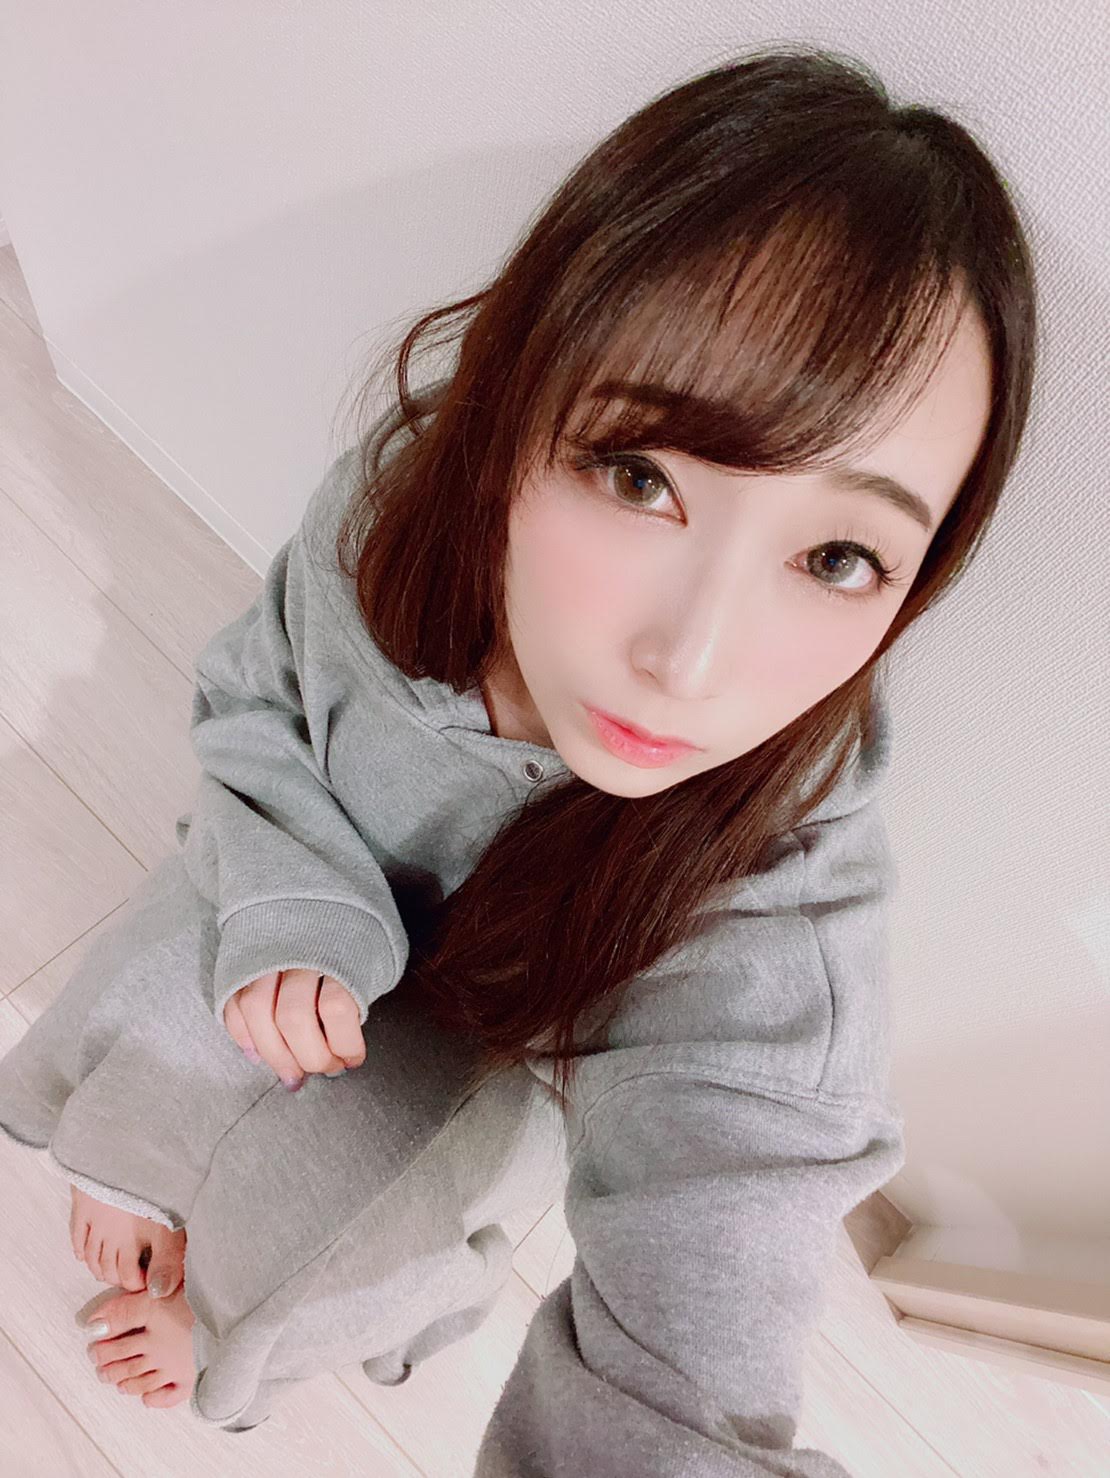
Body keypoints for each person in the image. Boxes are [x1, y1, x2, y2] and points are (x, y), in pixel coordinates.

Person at [0, 42, 1036, 1476]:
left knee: (371, 1218)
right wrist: (299, 902)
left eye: (838, 556)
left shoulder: (778, 913)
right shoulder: (392, 516)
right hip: (302, 889)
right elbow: (252, 702)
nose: (691, 661)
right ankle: (147, 1172)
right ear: (519, 406)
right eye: (640, 475)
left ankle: (225, 1317)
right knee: (176, 991)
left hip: (478, 1062)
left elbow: (712, 1270)